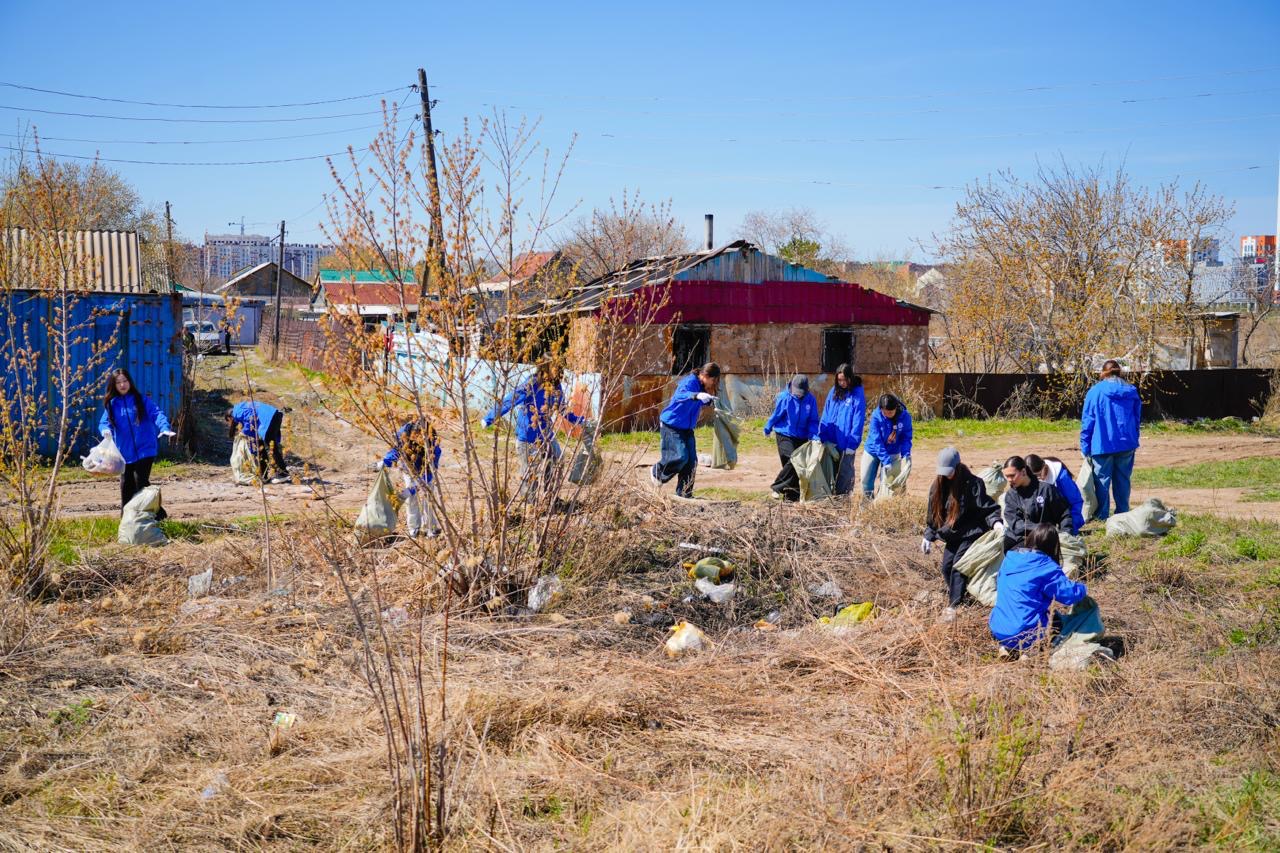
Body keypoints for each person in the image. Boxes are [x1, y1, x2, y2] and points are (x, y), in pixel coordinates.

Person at [989, 523, 1106, 656]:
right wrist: (1083, 588)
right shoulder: (1046, 567)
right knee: (1058, 621)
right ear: (1053, 546)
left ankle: (1007, 647)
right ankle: (1032, 652)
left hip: (998, 628)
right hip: (1028, 632)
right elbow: (1069, 595)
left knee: (1044, 614)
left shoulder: (1009, 560)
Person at [921, 447, 1004, 622]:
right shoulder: (938, 485)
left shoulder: (973, 484)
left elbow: (986, 508)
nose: (946, 475)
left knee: (959, 566)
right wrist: (928, 535)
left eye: (949, 471)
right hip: (953, 534)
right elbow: (933, 515)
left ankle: (954, 606)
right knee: (946, 567)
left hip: (972, 532)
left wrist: (996, 522)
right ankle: (962, 594)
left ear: (958, 466)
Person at [483, 362, 583, 498]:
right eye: (555, 368)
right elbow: (512, 399)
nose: (558, 372)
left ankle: (551, 499)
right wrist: (489, 418)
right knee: (530, 473)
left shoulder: (556, 386)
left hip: (546, 434)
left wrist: (581, 421)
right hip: (528, 436)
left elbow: (562, 409)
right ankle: (529, 505)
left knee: (557, 460)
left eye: (559, 368)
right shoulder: (532, 383)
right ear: (545, 367)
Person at [98, 368, 175, 517]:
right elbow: (103, 423)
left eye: (125, 381)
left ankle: (159, 515)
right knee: (126, 486)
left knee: (140, 482)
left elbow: (156, 413)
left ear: (130, 382)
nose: (122, 385)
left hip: (145, 449)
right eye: (118, 382)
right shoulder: (112, 404)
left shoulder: (141, 400)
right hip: (124, 453)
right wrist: (105, 430)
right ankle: (126, 520)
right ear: (114, 385)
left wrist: (164, 427)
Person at [1079, 359, 1142, 521]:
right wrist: (1134, 437)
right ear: (1119, 372)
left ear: (1103, 373)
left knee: (1102, 481)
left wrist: (1085, 446)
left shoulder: (1095, 391)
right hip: (1126, 443)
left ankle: (1102, 516)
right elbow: (1137, 418)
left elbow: (1088, 421)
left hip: (1102, 444)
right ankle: (1122, 513)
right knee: (1123, 480)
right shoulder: (1131, 390)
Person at [650, 362, 720, 498]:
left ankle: (684, 494)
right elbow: (680, 395)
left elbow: (696, 402)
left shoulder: (701, 386)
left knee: (691, 462)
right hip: (672, 425)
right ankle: (658, 471)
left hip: (687, 428)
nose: (713, 383)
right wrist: (696, 395)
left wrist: (708, 400)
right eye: (713, 380)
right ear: (706, 375)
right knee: (681, 456)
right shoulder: (690, 381)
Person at [379, 420, 442, 538]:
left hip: (426, 471)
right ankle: (414, 529)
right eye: (415, 436)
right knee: (411, 499)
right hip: (408, 468)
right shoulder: (403, 434)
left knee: (428, 499)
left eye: (421, 437)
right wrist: (386, 461)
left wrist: (415, 487)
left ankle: (430, 528)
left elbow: (430, 473)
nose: (418, 439)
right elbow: (396, 450)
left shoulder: (434, 446)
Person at [763, 374, 820, 502]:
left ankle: (791, 498)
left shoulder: (810, 400)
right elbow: (777, 414)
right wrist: (768, 427)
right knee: (793, 460)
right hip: (784, 434)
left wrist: (814, 436)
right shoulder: (785, 397)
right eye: (796, 392)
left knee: (797, 468)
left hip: (802, 436)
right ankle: (777, 487)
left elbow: (813, 420)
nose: (798, 395)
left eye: (801, 393)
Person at [1000, 455, 1072, 551]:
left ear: (1023, 472)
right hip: (1018, 540)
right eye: (1007, 476)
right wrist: (1043, 528)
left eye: (1012, 476)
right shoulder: (1011, 495)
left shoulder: (1046, 490)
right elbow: (1016, 524)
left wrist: (1065, 535)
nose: (1009, 480)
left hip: (1044, 539)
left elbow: (1064, 514)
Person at [817, 364, 866, 496]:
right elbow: (826, 414)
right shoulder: (834, 391)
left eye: (845, 380)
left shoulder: (857, 394)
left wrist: (852, 444)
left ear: (850, 378)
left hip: (846, 443)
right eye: (839, 380)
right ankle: (829, 499)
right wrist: (823, 436)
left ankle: (843, 500)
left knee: (844, 475)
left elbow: (858, 420)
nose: (842, 383)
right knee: (829, 473)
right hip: (831, 441)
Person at [226, 400, 290, 484]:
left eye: (228, 422)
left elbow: (251, 419)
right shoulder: (242, 406)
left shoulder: (236, 412)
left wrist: (244, 432)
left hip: (269, 419)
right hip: (274, 416)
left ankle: (283, 474)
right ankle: (264, 475)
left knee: (271, 448)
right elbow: (253, 426)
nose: (230, 424)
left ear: (229, 417)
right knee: (262, 447)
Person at [863, 393, 913, 499]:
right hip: (873, 450)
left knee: (889, 482)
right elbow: (876, 441)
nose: (887, 414)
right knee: (866, 480)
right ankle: (867, 503)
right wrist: (885, 461)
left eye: (890, 412)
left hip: (893, 451)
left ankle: (882, 502)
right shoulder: (876, 416)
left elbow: (906, 437)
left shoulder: (905, 417)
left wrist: (906, 455)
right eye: (885, 412)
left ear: (896, 408)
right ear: (881, 409)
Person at [1026, 454, 1085, 534]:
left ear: (1044, 466)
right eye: (1034, 477)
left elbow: (1075, 502)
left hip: (1066, 511)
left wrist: (1071, 529)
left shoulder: (1062, 478)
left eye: (1039, 475)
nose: (1038, 479)